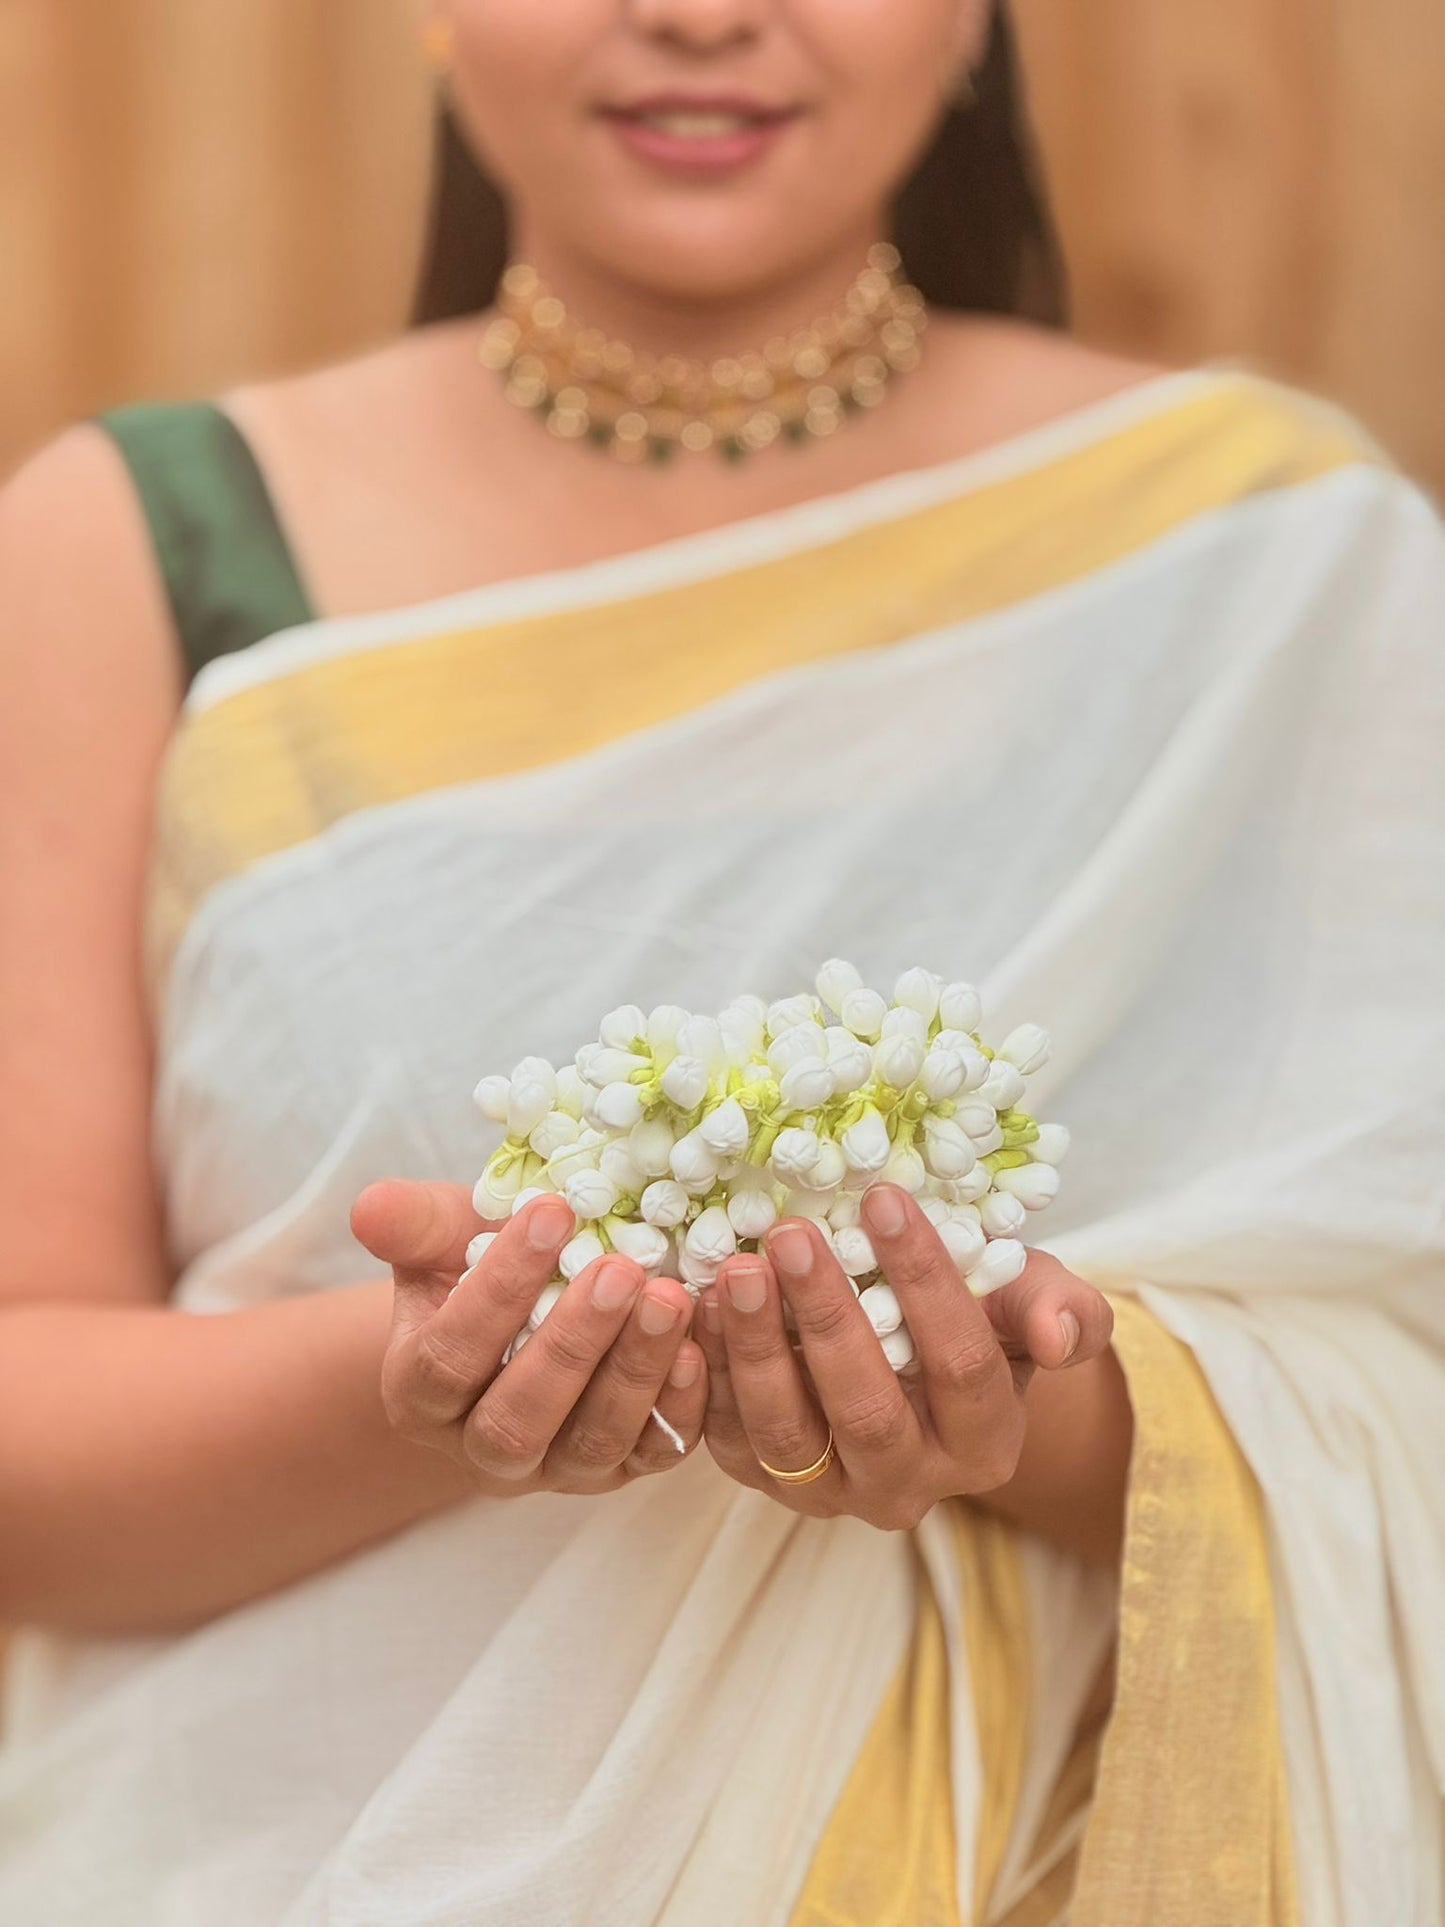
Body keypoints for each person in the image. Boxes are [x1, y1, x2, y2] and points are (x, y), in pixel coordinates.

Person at [0, 1, 1440, 1921]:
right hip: (309, 1851)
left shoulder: (1277, 552)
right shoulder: (135, 547)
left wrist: (1008, 1404)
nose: (698, 13)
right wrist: (437, 1375)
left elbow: (1396, 1348)